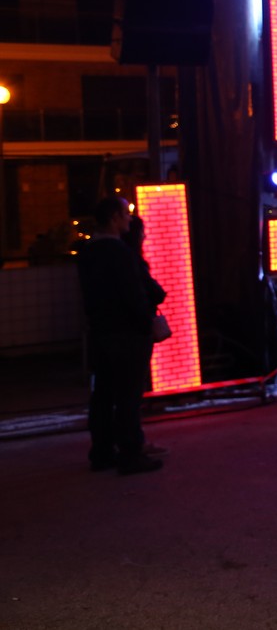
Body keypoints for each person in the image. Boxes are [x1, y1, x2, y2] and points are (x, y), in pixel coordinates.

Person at [78, 197, 163, 475]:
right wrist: (146, 322)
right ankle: (131, 454)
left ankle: (102, 451)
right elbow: (133, 295)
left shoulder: (87, 252)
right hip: (127, 334)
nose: (129, 218)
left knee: (103, 394)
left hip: (101, 331)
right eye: (126, 213)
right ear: (114, 217)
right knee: (128, 396)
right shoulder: (121, 253)